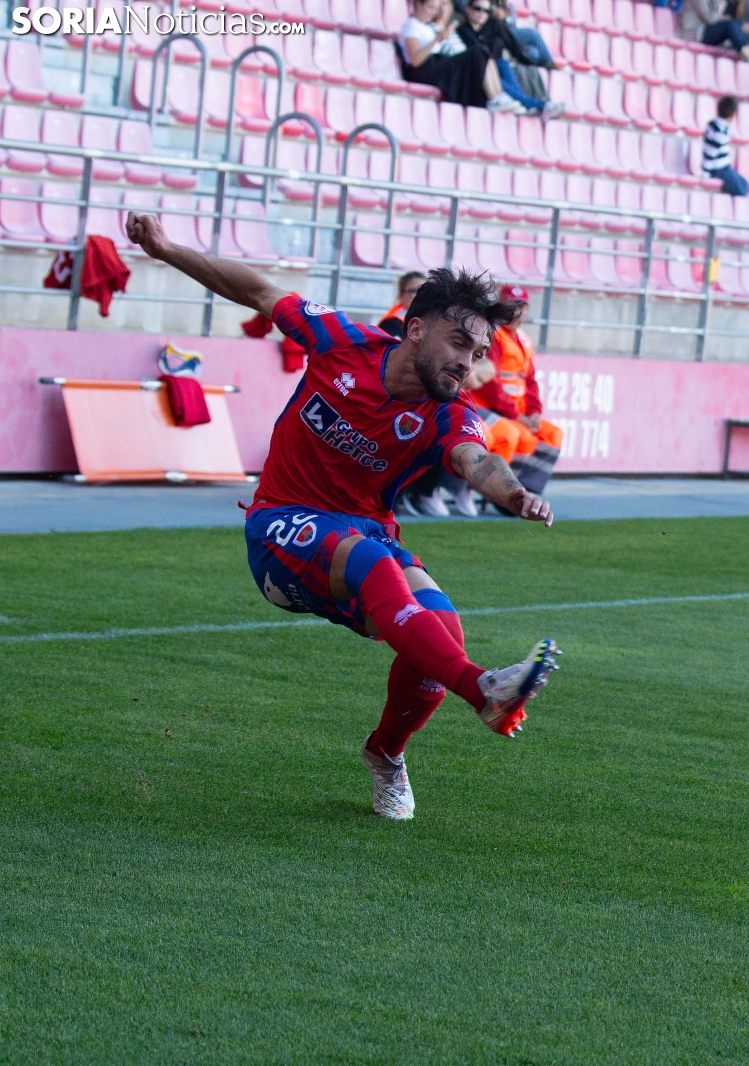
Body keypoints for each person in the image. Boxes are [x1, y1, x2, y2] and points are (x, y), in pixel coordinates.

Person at [124, 213, 563, 821]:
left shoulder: (449, 413)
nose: (469, 363)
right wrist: (165, 247)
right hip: (280, 528)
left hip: (362, 535)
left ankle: (386, 754)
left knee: (442, 630)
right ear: (414, 329)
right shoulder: (340, 341)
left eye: (479, 352)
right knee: (372, 560)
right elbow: (257, 291)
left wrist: (514, 495)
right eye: (459, 343)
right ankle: (481, 688)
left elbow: (475, 458)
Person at [472, 285, 564, 503]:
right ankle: (497, 490)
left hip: (519, 412)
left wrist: (534, 412)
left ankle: (526, 489)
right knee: (519, 437)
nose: (516, 312)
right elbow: (490, 386)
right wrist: (517, 416)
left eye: (521, 307)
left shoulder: (523, 340)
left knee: (553, 434)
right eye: (510, 306)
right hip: (494, 408)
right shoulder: (493, 336)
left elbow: (530, 380)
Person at [398, 0, 519, 112]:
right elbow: (415, 60)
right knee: (476, 53)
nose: (432, 12)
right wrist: (436, 39)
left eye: (435, 8)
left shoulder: (427, 26)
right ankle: (493, 99)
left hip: (435, 63)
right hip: (424, 71)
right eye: (430, 7)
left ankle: (498, 95)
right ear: (418, 4)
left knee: (483, 53)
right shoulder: (411, 26)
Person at [455, 0, 558, 115]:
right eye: (478, 9)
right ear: (468, 9)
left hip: (497, 64)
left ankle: (528, 104)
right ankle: (538, 105)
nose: (481, 13)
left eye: (486, 11)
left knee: (505, 63)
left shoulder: (494, 25)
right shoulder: (462, 31)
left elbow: (513, 43)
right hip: (478, 72)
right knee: (497, 75)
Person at [703, 95, 747, 196]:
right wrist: (707, 172)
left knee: (744, 184)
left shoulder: (716, 125)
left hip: (725, 167)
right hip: (718, 169)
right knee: (740, 192)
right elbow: (710, 153)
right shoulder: (720, 132)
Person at [678, 0, 749, 56]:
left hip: (704, 31)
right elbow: (710, 19)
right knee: (730, 25)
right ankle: (748, 57)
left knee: (741, 29)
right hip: (694, 34)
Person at [379, 272, 426, 338]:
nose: (419, 295)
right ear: (400, 295)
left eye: (423, 291)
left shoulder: (433, 320)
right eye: (413, 291)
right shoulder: (391, 324)